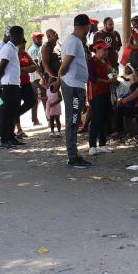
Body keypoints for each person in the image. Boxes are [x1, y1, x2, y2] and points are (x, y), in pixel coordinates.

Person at [53, 14, 92, 168]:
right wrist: (58, 81)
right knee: (73, 120)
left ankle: (74, 154)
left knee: (75, 120)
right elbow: (65, 65)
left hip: (74, 84)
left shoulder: (72, 41)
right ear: (86, 27)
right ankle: (72, 156)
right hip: (73, 86)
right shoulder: (75, 42)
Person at [0, 26, 25, 149]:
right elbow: (1, 68)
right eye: (21, 35)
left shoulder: (13, 48)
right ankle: (4, 139)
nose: (22, 38)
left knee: (13, 112)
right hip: (8, 85)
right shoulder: (8, 48)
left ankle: (11, 137)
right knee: (7, 113)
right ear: (15, 36)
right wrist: (2, 81)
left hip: (14, 84)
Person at [87, 42, 114, 156]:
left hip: (106, 91)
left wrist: (113, 76)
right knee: (96, 119)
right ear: (97, 50)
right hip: (96, 93)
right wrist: (107, 81)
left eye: (107, 50)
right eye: (104, 49)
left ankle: (102, 144)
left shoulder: (106, 61)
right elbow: (92, 77)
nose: (106, 52)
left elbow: (109, 74)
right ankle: (92, 146)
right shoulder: (91, 61)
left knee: (105, 118)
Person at [113, 66, 138, 140]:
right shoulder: (137, 86)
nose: (134, 78)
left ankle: (119, 131)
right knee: (119, 108)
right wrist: (121, 100)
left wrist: (120, 102)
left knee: (119, 108)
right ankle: (119, 131)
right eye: (134, 76)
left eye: (137, 76)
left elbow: (129, 99)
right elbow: (127, 95)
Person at [16, 42, 39, 138]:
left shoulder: (25, 54)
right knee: (15, 104)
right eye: (21, 47)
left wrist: (23, 69)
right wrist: (27, 69)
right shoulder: (13, 54)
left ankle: (13, 117)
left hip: (26, 82)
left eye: (24, 47)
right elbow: (15, 69)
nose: (22, 49)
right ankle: (19, 129)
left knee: (31, 101)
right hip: (16, 84)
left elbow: (35, 66)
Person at [27, 32, 44, 126]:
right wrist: (42, 77)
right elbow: (36, 66)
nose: (40, 40)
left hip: (35, 77)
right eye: (38, 38)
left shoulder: (38, 48)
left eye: (41, 38)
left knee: (35, 99)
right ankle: (49, 118)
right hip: (35, 78)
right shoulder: (33, 50)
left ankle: (35, 119)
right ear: (34, 40)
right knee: (44, 95)